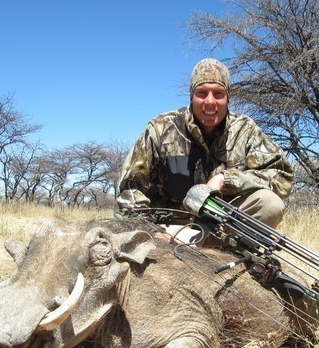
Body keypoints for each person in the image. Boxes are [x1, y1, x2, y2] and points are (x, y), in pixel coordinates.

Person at [116, 58, 293, 229]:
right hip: (168, 231)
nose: (210, 101)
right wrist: (153, 232)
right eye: (202, 93)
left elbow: (282, 176)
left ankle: (226, 250)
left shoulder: (245, 130)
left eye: (218, 93)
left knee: (270, 203)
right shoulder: (161, 128)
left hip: (223, 227)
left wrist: (226, 179)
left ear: (228, 97)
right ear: (191, 96)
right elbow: (129, 189)